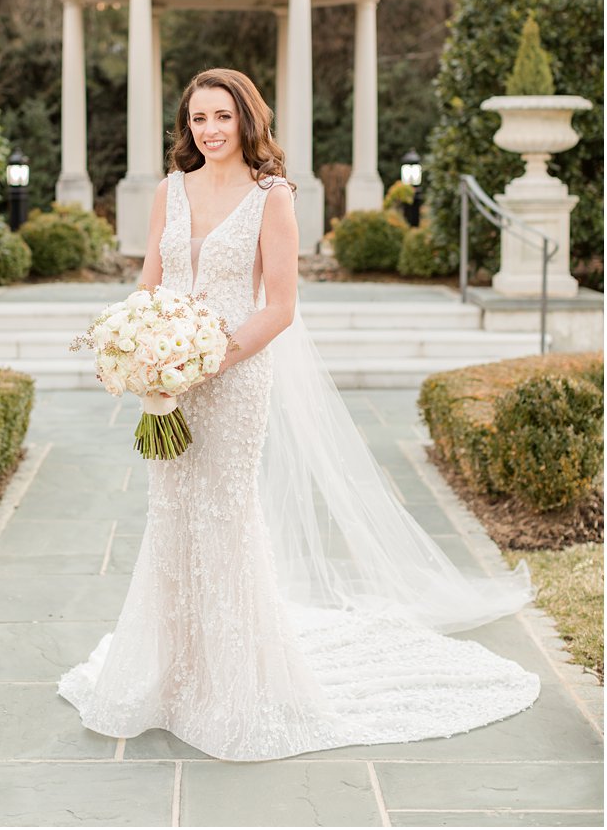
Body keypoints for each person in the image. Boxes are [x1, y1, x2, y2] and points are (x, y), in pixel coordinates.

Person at [58, 67, 539, 761]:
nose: (210, 130)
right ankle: (170, 677)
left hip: (234, 372)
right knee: (171, 511)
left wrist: (211, 358)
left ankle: (238, 686)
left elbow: (280, 306)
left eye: (222, 116)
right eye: (198, 119)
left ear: (247, 119)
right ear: (186, 126)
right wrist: (137, 347)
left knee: (224, 512)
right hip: (168, 374)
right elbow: (147, 282)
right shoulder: (169, 191)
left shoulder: (271, 197)